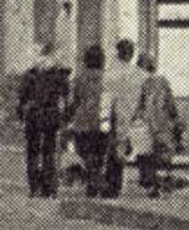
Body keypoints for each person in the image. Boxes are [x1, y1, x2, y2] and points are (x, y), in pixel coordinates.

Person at [119, 41, 182, 193]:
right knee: (159, 151)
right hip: (160, 123)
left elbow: (134, 104)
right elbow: (170, 103)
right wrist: (175, 118)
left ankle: (147, 179)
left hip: (143, 122)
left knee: (144, 152)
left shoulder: (136, 81)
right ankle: (159, 180)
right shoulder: (161, 81)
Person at [14, 42, 72, 198]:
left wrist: (20, 115)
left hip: (33, 115)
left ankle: (34, 187)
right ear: (53, 54)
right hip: (51, 115)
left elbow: (21, 97)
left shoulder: (31, 73)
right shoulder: (58, 74)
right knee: (49, 150)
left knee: (33, 151)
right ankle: (49, 186)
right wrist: (66, 117)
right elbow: (66, 97)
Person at [66, 45, 115, 197]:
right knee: (100, 154)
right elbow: (111, 100)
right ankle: (96, 180)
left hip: (83, 122)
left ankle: (92, 181)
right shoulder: (108, 78)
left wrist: (68, 116)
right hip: (102, 120)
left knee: (86, 153)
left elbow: (75, 100)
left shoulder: (79, 78)